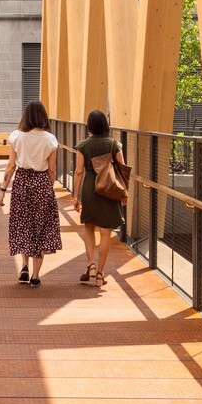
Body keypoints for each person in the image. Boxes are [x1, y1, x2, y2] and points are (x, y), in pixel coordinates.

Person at [0, 100, 62, 286]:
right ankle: (35, 275)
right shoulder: (50, 139)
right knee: (40, 227)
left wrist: (2, 191)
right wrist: (48, 189)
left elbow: (11, 166)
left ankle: (24, 265)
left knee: (24, 225)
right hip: (42, 183)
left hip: (22, 183)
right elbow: (52, 170)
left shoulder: (17, 136)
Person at [71, 110, 124, 288]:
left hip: (90, 188)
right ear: (105, 125)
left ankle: (91, 265)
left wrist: (76, 196)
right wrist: (124, 193)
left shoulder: (82, 145)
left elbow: (79, 172)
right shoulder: (113, 144)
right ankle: (101, 273)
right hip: (108, 188)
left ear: (89, 126)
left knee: (88, 227)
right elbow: (123, 170)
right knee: (105, 232)